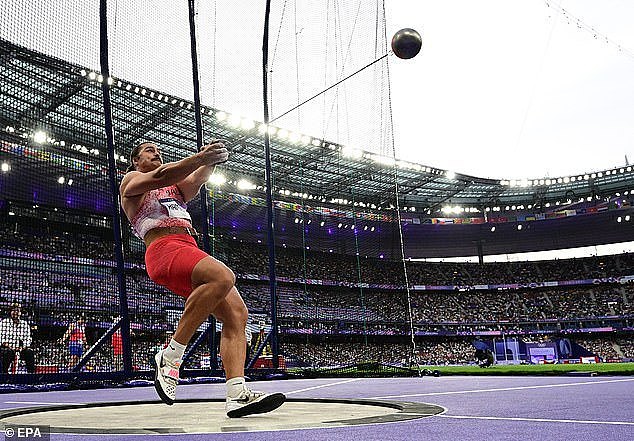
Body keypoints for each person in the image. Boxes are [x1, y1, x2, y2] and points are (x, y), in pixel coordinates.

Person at [120, 140, 285, 418]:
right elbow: (162, 174)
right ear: (136, 161)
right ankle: (171, 354)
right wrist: (200, 156)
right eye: (149, 150)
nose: (156, 153)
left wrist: (212, 158)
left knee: (237, 315)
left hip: (189, 249)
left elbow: (197, 177)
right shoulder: (132, 180)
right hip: (164, 249)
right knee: (223, 276)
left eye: (159, 150)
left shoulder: (174, 191)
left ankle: (236, 394)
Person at [0, 303, 36, 374]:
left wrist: (22, 347)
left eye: (17, 310)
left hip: (20, 349)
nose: (15, 312)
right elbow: (0, 338)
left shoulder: (24, 324)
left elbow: (28, 339)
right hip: (7, 349)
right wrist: (9, 346)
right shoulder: (4, 323)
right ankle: (4, 374)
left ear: (20, 313)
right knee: (7, 352)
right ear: (10, 312)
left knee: (30, 352)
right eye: (13, 310)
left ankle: (31, 374)